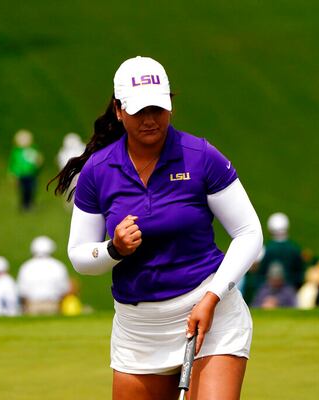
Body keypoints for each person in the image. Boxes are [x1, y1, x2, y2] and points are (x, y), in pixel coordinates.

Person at [51, 56, 262, 400]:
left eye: (157, 109)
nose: (150, 120)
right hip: (139, 333)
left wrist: (212, 296)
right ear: (119, 110)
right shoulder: (98, 170)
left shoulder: (200, 156)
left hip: (210, 314)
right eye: (138, 111)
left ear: (170, 106)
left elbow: (249, 231)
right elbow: (79, 255)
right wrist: (113, 249)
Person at [17, 236, 70, 315]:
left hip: (32, 305)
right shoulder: (58, 266)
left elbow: (21, 292)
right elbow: (64, 290)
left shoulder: (26, 266)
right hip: (52, 305)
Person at [255, 212, 305, 292]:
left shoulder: (267, 249)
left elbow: (261, 273)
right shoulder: (295, 248)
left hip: (268, 290)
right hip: (291, 289)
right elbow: (300, 272)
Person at [8, 129, 43, 211]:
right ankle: (24, 205)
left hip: (32, 174)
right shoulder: (16, 152)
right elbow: (12, 164)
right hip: (21, 175)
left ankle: (31, 204)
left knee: (32, 189)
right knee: (24, 191)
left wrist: (39, 161)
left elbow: (37, 159)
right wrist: (13, 174)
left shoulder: (33, 150)